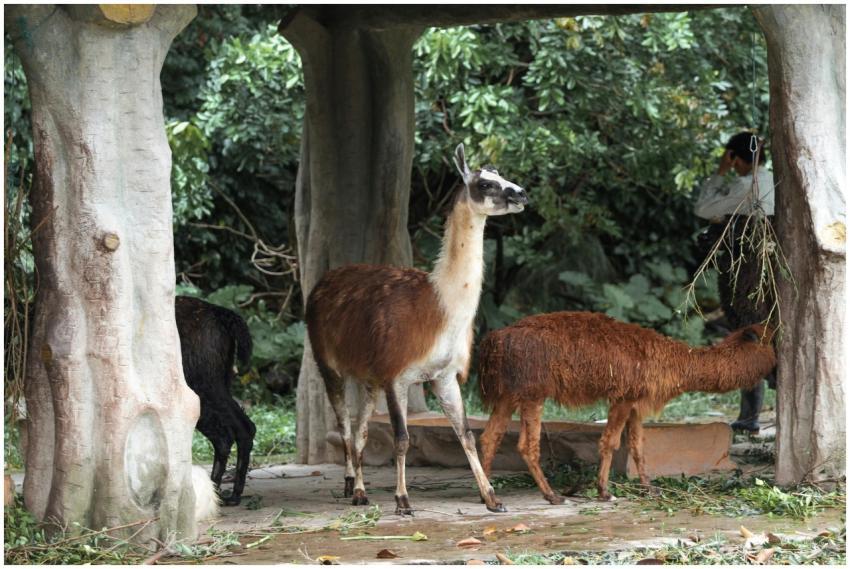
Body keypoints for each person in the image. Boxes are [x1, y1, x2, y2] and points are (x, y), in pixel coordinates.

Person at [694, 131, 775, 433]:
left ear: (734, 158)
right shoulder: (775, 183)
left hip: (745, 276)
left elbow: (703, 209)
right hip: (773, 275)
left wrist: (719, 174)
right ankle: (753, 415)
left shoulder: (743, 186)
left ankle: (749, 417)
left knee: (747, 335)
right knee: (768, 333)